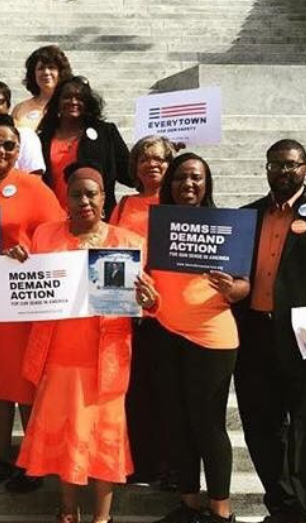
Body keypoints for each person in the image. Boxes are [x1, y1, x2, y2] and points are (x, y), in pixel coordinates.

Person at [17, 164, 143, 523]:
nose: (84, 201)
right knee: (66, 435)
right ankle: (67, 511)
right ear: (65, 199)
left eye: (92, 194)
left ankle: (102, 518)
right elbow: (30, 280)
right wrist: (19, 265)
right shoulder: (44, 235)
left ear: (104, 199)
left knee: (105, 436)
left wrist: (150, 301)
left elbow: (143, 304)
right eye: (76, 194)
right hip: (57, 353)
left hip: (106, 357)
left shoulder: (127, 242)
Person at [134, 153, 247, 523]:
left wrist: (233, 289)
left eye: (196, 178)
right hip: (166, 332)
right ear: (170, 183)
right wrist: (147, 300)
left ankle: (221, 510)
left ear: (207, 183)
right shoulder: (158, 225)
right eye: (181, 178)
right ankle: (189, 502)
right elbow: (148, 278)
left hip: (211, 339)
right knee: (175, 420)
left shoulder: (225, 226)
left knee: (207, 423)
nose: (188, 185)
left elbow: (246, 285)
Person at [234, 139, 306, 523]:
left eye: (291, 165)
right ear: (266, 169)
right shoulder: (246, 217)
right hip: (256, 337)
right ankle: (280, 505)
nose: (283, 171)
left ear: (305, 169)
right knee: (261, 427)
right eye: (275, 165)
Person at [0, 120, 63, 492]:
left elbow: (57, 235)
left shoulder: (33, 187)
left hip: (19, 300)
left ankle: (32, 461)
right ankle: (2, 455)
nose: (1, 152)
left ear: (18, 150)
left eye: (9, 146)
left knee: (24, 380)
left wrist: (29, 253)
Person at [109, 135, 176, 489]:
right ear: (135, 166)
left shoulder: (179, 202)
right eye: (145, 158)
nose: (153, 164)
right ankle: (140, 462)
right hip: (129, 310)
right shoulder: (124, 204)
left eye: (161, 159)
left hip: (168, 310)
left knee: (166, 390)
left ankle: (168, 464)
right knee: (135, 392)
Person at [38, 76, 131, 219]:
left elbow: (129, 174)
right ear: (57, 102)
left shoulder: (105, 132)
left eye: (79, 98)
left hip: (96, 220)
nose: (73, 102)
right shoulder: (43, 138)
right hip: (53, 219)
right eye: (67, 97)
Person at [11, 45, 72, 131]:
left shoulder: (71, 106)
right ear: (33, 74)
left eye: (51, 67)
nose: (46, 72)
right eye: (41, 68)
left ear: (61, 72)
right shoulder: (20, 108)